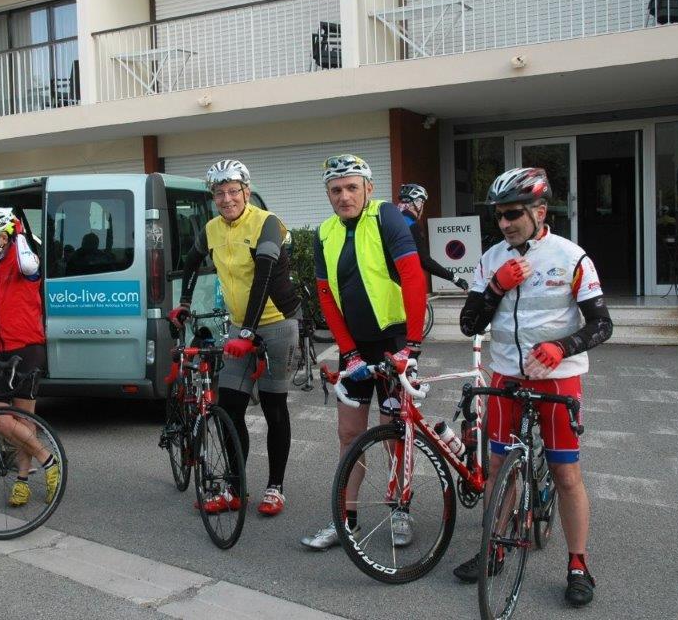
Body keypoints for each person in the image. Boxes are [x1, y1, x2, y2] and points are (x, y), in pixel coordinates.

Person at [456, 167, 613, 607]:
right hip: (506, 376)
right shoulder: (491, 259)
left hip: (557, 380)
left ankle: (578, 564)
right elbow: (469, 323)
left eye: (513, 214)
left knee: (566, 474)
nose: (504, 223)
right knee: (497, 468)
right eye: (499, 215)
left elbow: (602, 324)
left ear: (539, 211)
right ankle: (495, 547)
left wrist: (563, 347)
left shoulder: (571, 257)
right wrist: (496, 287)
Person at [301, 154, 427, 551]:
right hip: (355, 347)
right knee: (349, 434)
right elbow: (325, 296)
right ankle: (346, 519)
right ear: (328, 194)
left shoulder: (386, 216)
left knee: (394, 433)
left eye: (352, 187)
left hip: (394, 343)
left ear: (368, 188)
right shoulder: (325, 233)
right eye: (336, 190)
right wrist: (349, 352)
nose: (344, 196)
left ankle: (400, 508)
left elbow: (412, 275)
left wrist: (412, 345)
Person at [169, 159, 300, 517]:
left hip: (276, 324)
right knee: (228, 407)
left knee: (274, 407)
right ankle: (235, 488)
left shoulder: (266, 222)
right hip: (240, 326)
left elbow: (264, 277)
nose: (227, 199)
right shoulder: (212, 228)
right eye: (219, 193)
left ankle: (275, 487)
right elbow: (191, 262)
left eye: (233, 191)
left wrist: (246, 332)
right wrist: (184, 303)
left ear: (246, 191)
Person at [0, 206, 60, 507]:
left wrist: (16, 231)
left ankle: (22, 480)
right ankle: (49, 460)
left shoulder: (23, 261)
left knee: (24, 419)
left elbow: (30, 264)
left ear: (3, 237)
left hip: (26, 347)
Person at [397, 183, 470, 291]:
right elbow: (425, 261)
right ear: (417, 203)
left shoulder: (392, 220)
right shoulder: (411, 225)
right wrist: (455, 278)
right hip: (401, 285)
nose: (423, 208)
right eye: (423, 203)